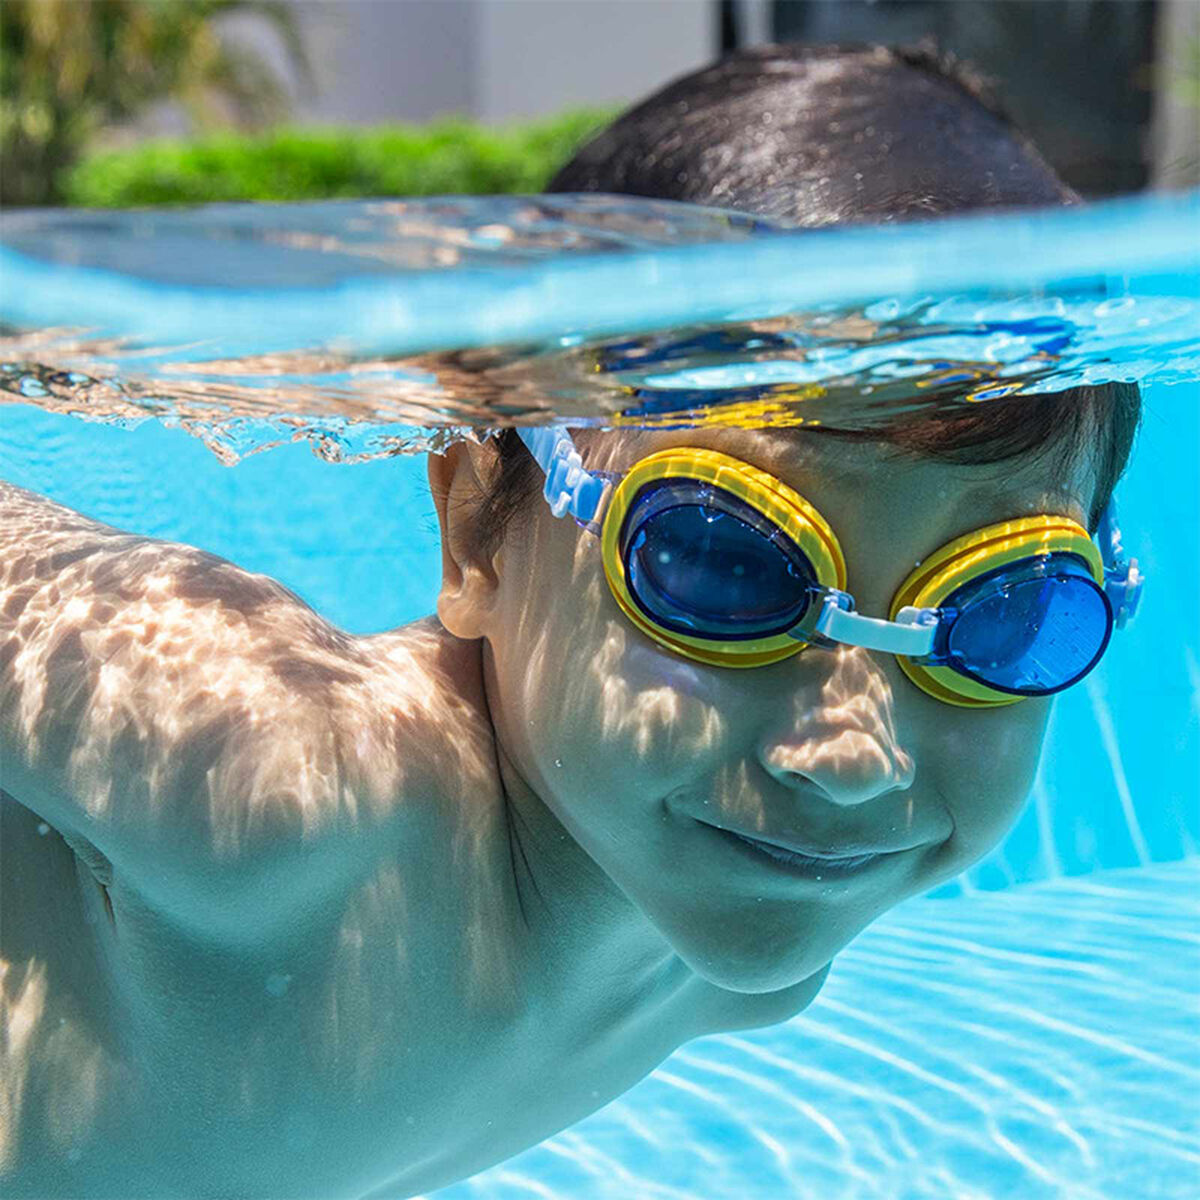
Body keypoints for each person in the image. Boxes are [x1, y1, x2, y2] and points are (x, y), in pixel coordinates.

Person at [0, 43, 1141, 1200]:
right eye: (718, 566)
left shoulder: (734, 940)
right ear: (479, 532)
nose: (851, 758)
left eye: (999, 615)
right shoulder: (278, 781)